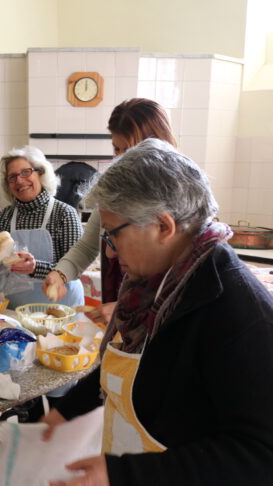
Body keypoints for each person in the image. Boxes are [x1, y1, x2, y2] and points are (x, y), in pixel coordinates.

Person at [41, 139, 273, 485]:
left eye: (113, 235)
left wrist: (122, 474)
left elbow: (260, 456)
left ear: (164, 226)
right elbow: (138, 368)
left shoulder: (236, 310)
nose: (110, 253)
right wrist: (65, 412)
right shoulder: (157, 287)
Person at [44, 98, 177, 324]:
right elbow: (88, 246)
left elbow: (177, 285)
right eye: (117, 148)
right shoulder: (113, 189)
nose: (121, 157)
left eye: (131, 149)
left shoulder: (176, 196)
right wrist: (61, 273)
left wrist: (126, 308)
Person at [0, 145, 84, 309]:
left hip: (59, 309)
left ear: (41, 173)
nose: (19, 181)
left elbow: (76, 267)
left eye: (26, 172)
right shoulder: (4, 216)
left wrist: (36, 268)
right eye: (12, 177)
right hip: (15, 310)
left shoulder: (64, 213)